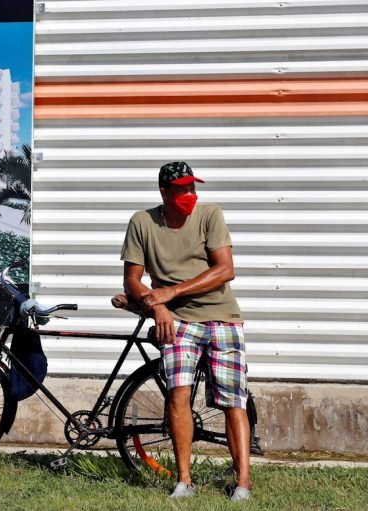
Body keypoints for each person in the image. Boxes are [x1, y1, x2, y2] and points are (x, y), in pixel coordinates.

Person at [120, 161, 251, 501]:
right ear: (165, 192)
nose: (190, 195)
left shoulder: (209, 215)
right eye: (182, 189)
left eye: (193, 188)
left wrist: (171, 292)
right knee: (178, 395)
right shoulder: (142, 222)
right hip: (177, 322)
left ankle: (243, 484)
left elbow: (225, 270)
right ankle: (184, 481)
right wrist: (159, 306)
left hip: (222, 316)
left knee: (232, 400)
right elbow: (132, 279)